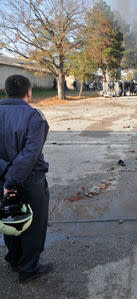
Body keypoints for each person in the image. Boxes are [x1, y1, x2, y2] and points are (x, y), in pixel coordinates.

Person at [0, 75, 52, 283]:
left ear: (6, 92)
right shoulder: (34, 117)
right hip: (30, 180)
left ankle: (14, 259)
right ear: (29, 93)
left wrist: (6, 176)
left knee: (9, 218)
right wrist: (13, 179)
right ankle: (28, 268)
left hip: (2, 180)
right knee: (33, 223)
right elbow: (30, 154)